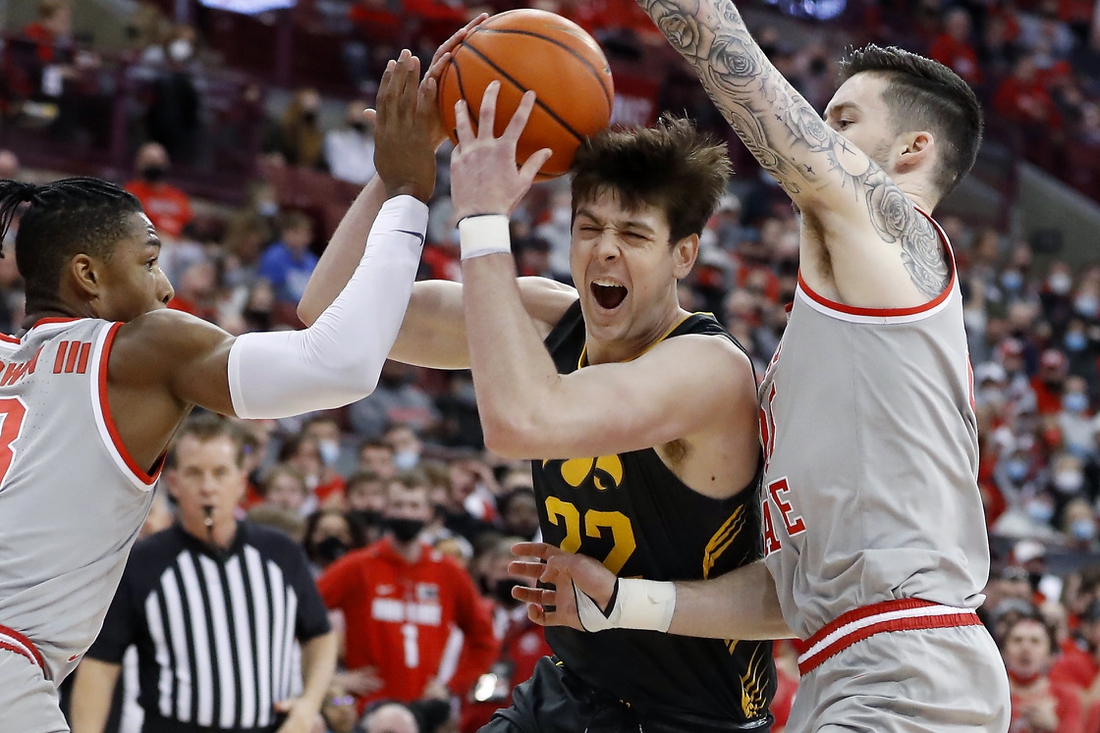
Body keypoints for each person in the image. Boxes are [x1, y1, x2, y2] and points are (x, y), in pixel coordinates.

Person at [507, 3, 1011, 730]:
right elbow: (788, 595)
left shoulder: (905, 241)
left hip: (911, 669)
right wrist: (622, 599)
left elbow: (773, 121)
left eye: (840, 121)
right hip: (844, 666)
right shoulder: (834, 340)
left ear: (911, 150)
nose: (816, 133)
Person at [299, 58, 772, 733]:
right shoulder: (553, 319)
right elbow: (331, 314)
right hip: (569, 695)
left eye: (634, 234)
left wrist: (484, 218)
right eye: (589, 227)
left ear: (684, 255)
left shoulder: (707, 370)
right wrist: (400, 171)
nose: (604, 251)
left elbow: (524, 420)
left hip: (691, 719)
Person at [0, 47, 438, 733]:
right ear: (87, 276)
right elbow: (342, 365)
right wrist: (407, 194)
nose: (165, 287)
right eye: (149, 262)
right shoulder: (140, 347)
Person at [69, 415, 337, 733]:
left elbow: (319, 635)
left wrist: (308, 704)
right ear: (174, 482)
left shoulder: (281, 553)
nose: (208, 487)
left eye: (220, 473)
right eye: (195, 473)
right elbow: (100, 665)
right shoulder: (142, 562)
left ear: (241, 481)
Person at [315, 471, 498, 713]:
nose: (406, 514)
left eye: (414, 506)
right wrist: (334, 679)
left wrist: (451, 686)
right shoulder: (357, 566)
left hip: (424, 712)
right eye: (398, 505)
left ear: (429, 512)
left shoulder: (447, 571)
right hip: (367, 710)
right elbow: (301, 618)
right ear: (386, 510)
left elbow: (484, 640)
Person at [124, 142, 193, 240]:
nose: (154, 164)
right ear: (139, 163)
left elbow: (188, 227)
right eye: (149, 160)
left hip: (178, 246)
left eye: (157, 160)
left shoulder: (178, 196)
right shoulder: (130, 193)